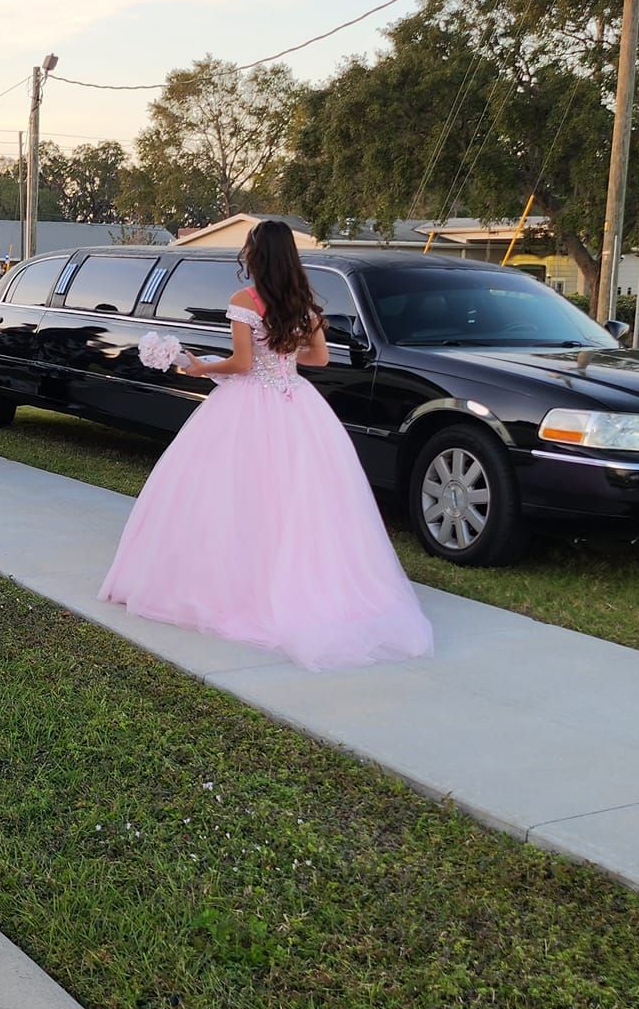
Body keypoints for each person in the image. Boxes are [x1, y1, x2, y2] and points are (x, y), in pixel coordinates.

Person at [100, 219, 433, 672]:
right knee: (298, 499)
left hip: (247, 406)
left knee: (233, 494)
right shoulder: (306, 305)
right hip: (297, 404)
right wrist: (284, 361)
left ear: (256, 256)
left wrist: (198, 368)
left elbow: (240, 362)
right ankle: (304, 585)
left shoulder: (245, 302)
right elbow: (319, 358)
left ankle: (234, 589)